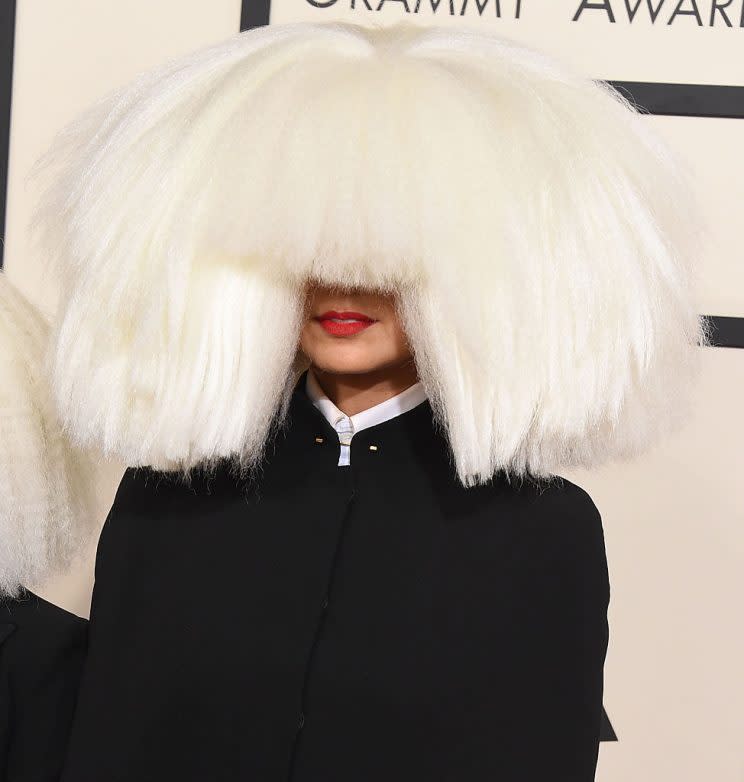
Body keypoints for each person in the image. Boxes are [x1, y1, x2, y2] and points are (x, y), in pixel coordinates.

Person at [2, 19, 710, 782]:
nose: (344, 282)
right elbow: (104, 737)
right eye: (310, 244)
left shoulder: (542, 531)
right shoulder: (167, 499)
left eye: (386, 252)